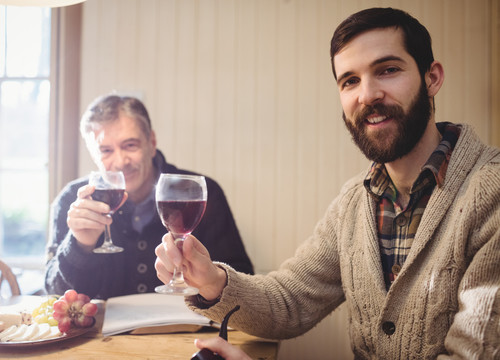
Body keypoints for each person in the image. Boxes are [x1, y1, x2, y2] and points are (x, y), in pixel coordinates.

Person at [155, 7, 500, 359]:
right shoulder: (353, 202)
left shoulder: (492, 192)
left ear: (432, 78)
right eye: (350, 81)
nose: (367, 95)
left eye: (388, 70)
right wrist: (213, 281)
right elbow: (290, 301)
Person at [45, 95, 254, 300]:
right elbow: (55, 294)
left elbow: (241, 281)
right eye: (106, 150)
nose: (121, 161)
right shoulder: (72, 201)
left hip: (188, 331)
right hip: (103, 334)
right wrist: (79, 245)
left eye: (130, 145)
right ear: (93, 154)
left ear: (151, 143)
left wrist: (208, 279)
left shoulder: (200, 193)